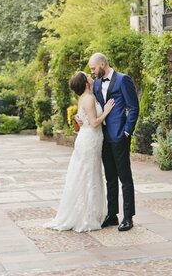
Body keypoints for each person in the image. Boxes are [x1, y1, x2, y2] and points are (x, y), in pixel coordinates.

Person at [43, 71, 114, 232]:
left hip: (89, 139)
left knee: (88, 173)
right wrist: (107, 111)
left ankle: (89, 213)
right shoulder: (88, 98)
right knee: (88, 174)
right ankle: (86, 216)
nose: (90, 75)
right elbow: (95, 123)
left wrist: (78, 116)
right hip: (90, 139)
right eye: (87, 75)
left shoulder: (85, 96)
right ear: (86, 82)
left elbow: (84, 116)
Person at [89, 52, 139, 232]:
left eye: (94, 68)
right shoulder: (95, 83)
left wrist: (127, 131)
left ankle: (128, 217)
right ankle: (112, 215)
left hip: (119, 136)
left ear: (103, 64)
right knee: (110, 176)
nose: (93, 72)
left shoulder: (123, 80)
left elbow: (134, 107)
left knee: (124, 177)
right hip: (102, 136)